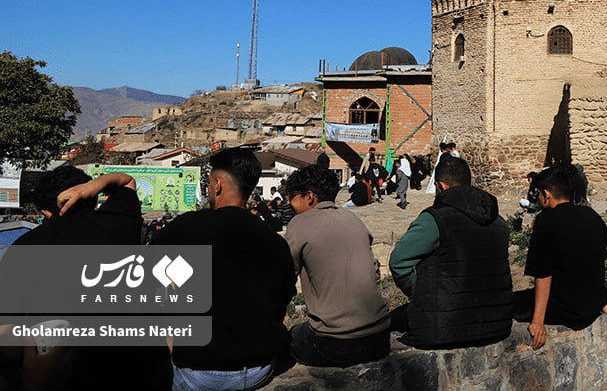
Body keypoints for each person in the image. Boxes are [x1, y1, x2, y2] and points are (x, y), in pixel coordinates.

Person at [0, 167, 171, 391]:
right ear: (90, 197)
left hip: (65, 379)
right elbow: (127, 181)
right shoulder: (118, 224)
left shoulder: (23, 248)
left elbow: (8, 338)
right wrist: (92, 187)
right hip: (139, 374)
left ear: (45, 211)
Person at [152, 148, 296, 391]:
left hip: (198, 373)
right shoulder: (275, 241)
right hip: (260, 370)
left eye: (209, 184)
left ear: (217, 185)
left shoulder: (183, 229)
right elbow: (282, 301)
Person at [389, 155, 512, 349]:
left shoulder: (435, 219)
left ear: (441, 186)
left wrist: (419, 293)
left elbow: (398, 261)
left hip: (442, 328)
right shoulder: (499, 222)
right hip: (496, 323)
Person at [283, 164, 389, 367]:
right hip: (379, 336)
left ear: (310, 197)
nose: (288, 202)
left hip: (334, 344)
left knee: (293, 336)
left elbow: (284, 277)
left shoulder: (299, 224)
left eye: (292, 196)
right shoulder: (354, 220)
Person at [513, 168, 607, 349]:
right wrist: (601, 303)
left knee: (511, 303)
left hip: (567, 311)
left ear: (546, 194)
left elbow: (543, 273)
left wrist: (538, 321)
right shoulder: (592, 216)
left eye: (539, 195)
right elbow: (595, 263)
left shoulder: (546, 220)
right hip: (591, 307)